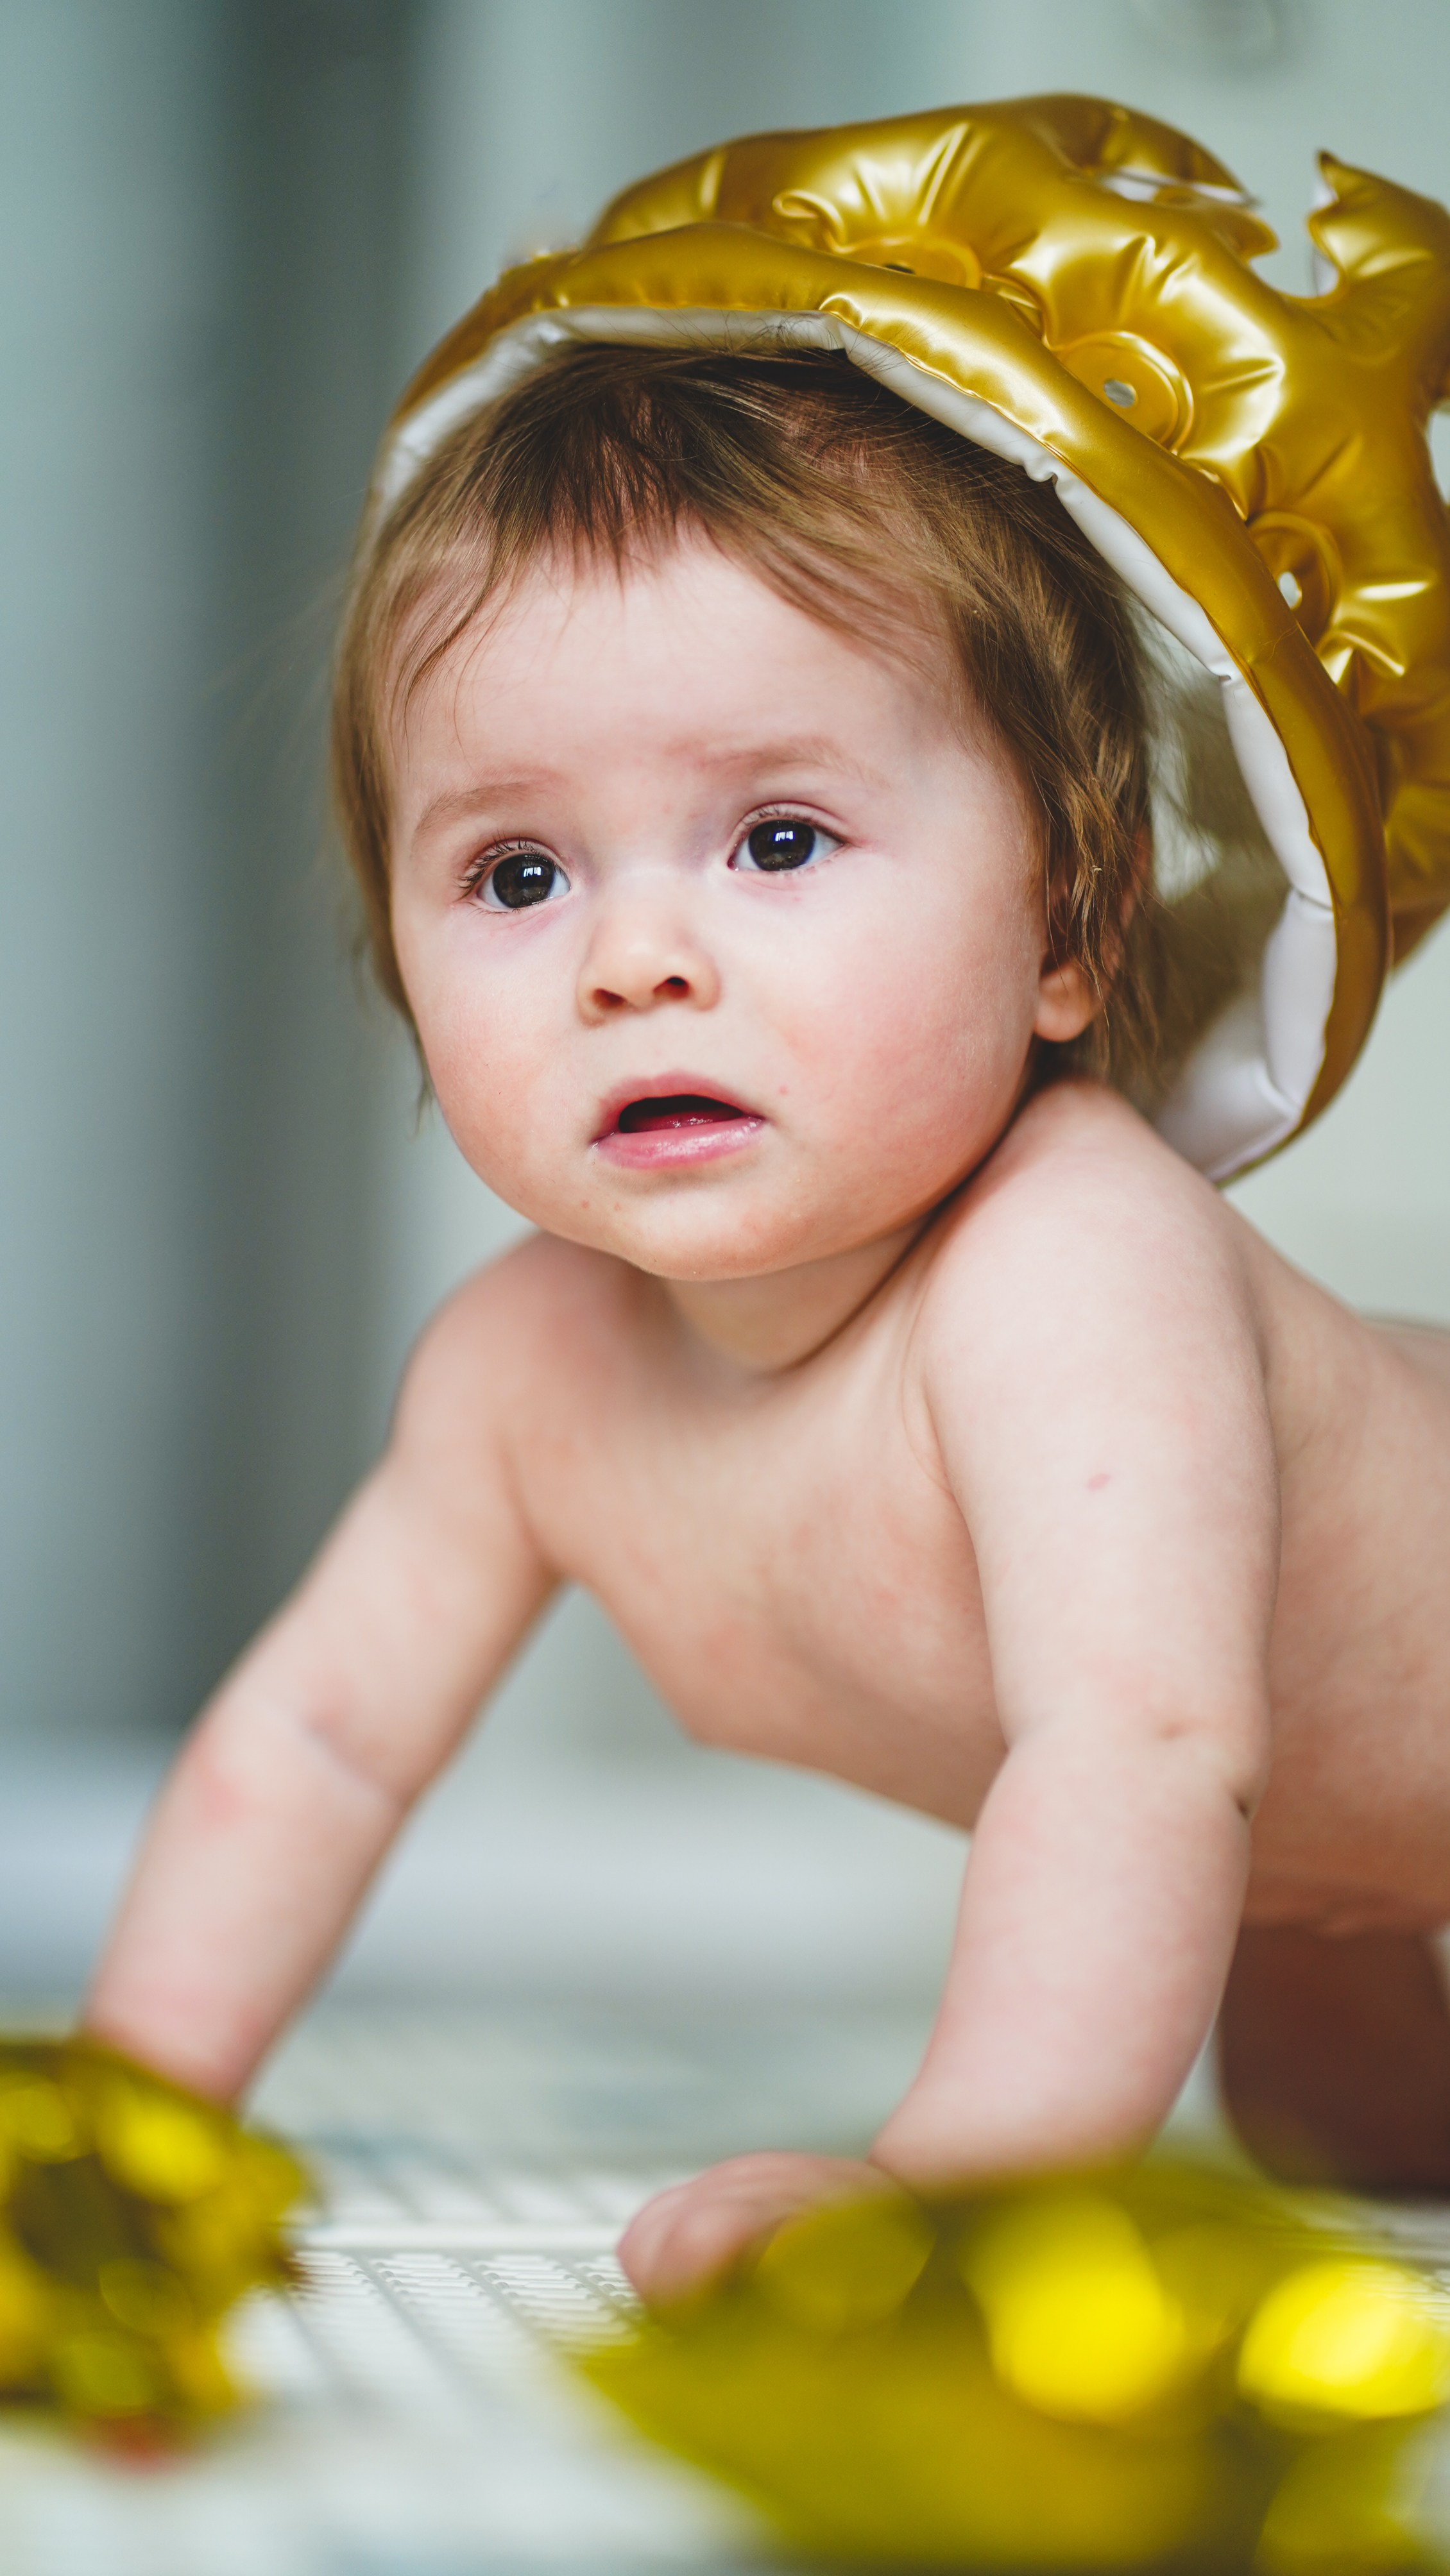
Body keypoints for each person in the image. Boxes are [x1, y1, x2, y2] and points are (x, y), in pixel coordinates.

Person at [85, 99, 1450, 2302]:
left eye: (779, 839)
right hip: (1320, 1860)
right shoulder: (528, 1370)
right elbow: (318, 1741)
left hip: (1307, 1753)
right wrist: (129, 2122)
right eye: (517, 872)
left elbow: (1143, 1744)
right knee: (1357, 2144)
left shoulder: (1068, 1269)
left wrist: (951, 2198)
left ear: (1063, 938)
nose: (636, 957)